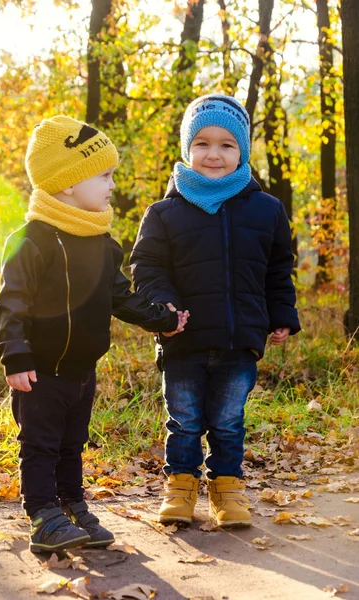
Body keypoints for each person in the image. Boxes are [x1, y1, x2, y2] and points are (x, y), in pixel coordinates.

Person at [0, 115, 188, 554]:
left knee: (70, 444)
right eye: (104, 175)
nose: (112, 185)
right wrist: (15, 356)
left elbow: (122, 297)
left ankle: (72, 505)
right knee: (39, 445)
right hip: (39, 372)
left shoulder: (103, 243)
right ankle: (43, 515)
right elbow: (11, 304)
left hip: (83, 372)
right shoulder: (31, 240)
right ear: (67, 184)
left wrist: (164, 318)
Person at [130, 94, 300, 527]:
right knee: (184, 420)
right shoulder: (164, 214)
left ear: (242, 151)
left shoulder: (267, 209)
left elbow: (278, 268)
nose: (214, 154)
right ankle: (182, 485)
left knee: (227, 422)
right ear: (188, 149)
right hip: (182, 339)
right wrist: (162, 305)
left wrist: (281, 314)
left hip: (240, 339)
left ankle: (227, 487)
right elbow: (147, 267)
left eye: (227, 144)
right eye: (202, 143)